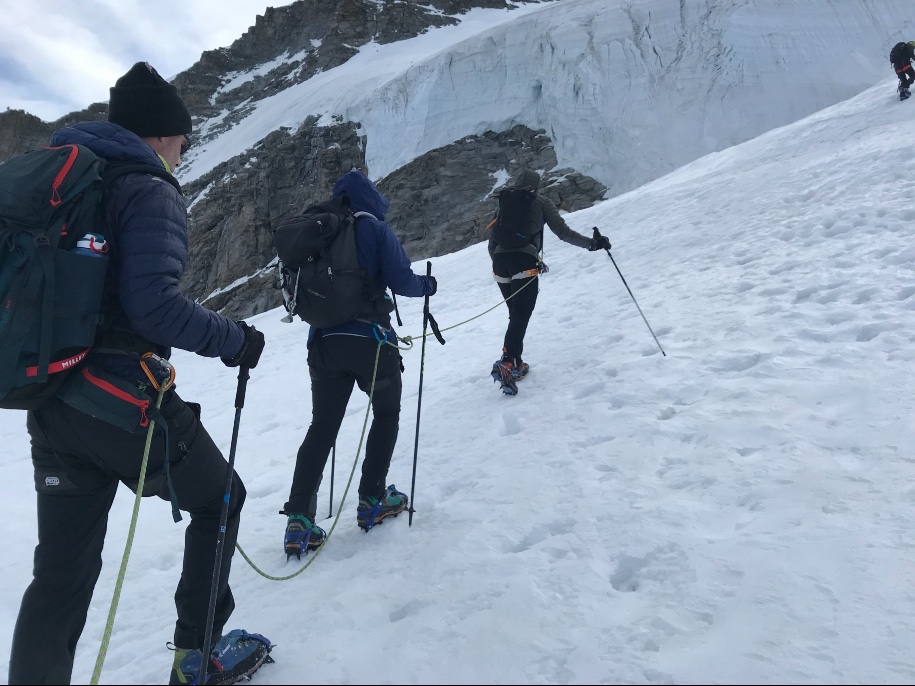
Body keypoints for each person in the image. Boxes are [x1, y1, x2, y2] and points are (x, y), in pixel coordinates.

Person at [7, 62, 271, 686]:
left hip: (48, 399)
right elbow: (155, 305)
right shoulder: (146, 187)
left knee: (60, 575)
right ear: (160, 135)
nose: (184, 150)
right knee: (221, 498)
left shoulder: (63, 182)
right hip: (120, 400)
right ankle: (196, 656)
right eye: (181, 139)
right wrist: (235, 341)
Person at [281, 169, 436, 555]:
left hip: (323, 345)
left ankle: (299, 520)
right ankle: (372, 499)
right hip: (371, 342)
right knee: (386, 413)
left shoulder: (317, 233)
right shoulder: (373, 229)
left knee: (322, 427)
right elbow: (403, 282)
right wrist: (429, 285)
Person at [487, 170, 610, 395]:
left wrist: (501, 262)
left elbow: (492, 242)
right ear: (537, 186)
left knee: (516, 314)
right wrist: (592, 244)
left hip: (500, 264)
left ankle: (516, 363)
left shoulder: (503, 205)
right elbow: (563, 232)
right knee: (521, 314)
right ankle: (507, 361)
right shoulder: (541, 202)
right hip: (524, 262)